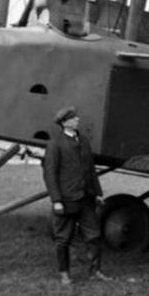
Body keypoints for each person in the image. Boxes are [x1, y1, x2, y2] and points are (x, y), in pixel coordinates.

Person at [41, 106, 109, 284]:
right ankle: (64, 274)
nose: (77, 120)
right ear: (64, 123)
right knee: (63, 239)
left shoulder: (84, 141)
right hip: (66, 199)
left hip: (86, 198)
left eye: (76, 117)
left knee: (94, 236)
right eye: (73, 118)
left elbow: (91, 170)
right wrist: (56, 200)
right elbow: (50, 174)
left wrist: (98, 192)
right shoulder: (55, 144)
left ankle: (96, 271)